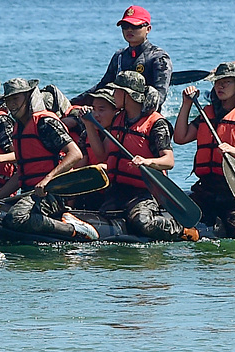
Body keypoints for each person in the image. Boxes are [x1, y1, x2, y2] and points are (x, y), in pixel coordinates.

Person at [83, 72, 194, 241]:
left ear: (127, 95)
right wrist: (89, 126)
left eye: (117, 91)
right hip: (118, 189)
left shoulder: (157, 124)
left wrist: (146, 161)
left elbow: (168, 161)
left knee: (141, 223)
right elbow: (102, 155)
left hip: (145, 191)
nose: (113, 95)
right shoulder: (118, 119)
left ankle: (180, 229)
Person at [0, 78, 98, 240]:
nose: (12, 105)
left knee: (16, 218)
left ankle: (73, 229)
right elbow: (21, 174)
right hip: (30, 192)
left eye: (16, 99)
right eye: (8, 100)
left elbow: (75, 153)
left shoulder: (45, 123)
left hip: (54, 193)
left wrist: (47, 179)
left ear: (28, 98)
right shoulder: (17, 129)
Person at [174, 63, 235, 238]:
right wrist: (186, 105)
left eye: (226, 82)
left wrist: (233, 150)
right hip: (206, 189)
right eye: (217, 82)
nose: (220, 86)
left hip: (233, 191)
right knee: (175, 224)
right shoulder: (207, 114)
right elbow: (180, 138)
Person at [76, 5, 173, 107]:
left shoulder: (159, 58)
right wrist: (73, 103)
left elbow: (159, 96)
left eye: (135, 26)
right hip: (116, 115)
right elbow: (103, 86)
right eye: (125, 26)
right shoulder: (119, 56)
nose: (129, 30)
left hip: (144, 117)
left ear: (148, 29)